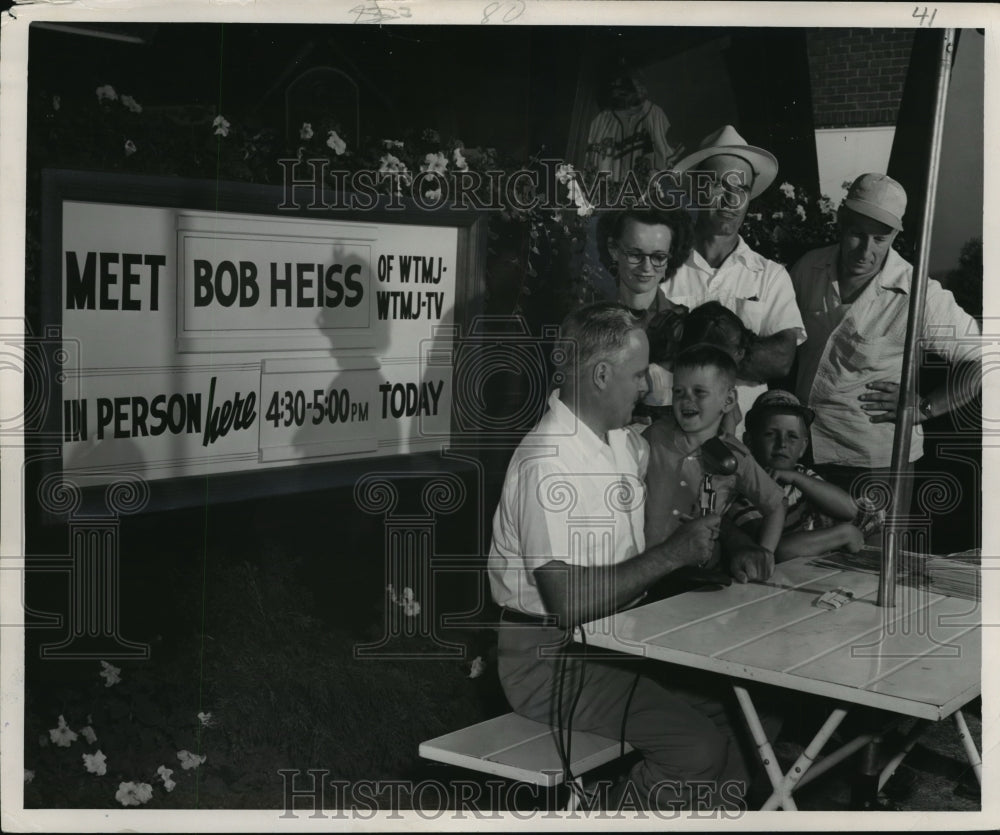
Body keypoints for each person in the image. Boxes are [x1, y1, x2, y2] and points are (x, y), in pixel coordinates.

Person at [487, 301, 773, 810]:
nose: (647, 388)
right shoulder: (547, 462)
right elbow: (567, 602)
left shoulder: (621, 443)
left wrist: (736, 540)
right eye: (639, 374)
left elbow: (681, 500)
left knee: (749, 717)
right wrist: (672, 555)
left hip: (617, 640)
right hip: (550, 660)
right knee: (696, 749)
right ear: (601, 375)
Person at [789, 173, 982, 513]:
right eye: (857, 234)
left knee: (872, 548)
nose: (866, 251)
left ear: (894, 235)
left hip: (876, 463)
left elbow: (984, 359)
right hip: (804, 454)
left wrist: (925, 408)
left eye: (880, 239)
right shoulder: (808, 268)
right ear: (840, 220)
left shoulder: (919, 293)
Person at [666, 125, 807, 425]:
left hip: (742, 437)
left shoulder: (770, 275)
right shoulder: (663, 265)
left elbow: (781, 359)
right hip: (669, 430)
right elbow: (643, 348)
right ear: (695, 188)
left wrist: (682, 346)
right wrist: (740, 348)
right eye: (719, 185)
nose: (731, 199)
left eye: (741, 188)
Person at [644, 344, 785, 559]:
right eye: (678, 391)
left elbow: (776, 504)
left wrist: (765, 553)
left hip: (696, 567)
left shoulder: (736, 456)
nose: (686, 400)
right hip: (647, 563)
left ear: (728, 401)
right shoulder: (654, 436)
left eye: (699, 392)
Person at [729, 389, 870, 561]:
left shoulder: (800, 473)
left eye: (792, 436)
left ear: (803, 447)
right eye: (770, 434)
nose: (782, 444)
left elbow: (850, 509)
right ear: (749, 441)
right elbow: (776, 552)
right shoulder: (745, 489)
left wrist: (796, 478)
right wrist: (843, 534)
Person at [586, 68, 684, 184]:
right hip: (610, 190)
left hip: (646, 190)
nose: (638, 89)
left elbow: (671, 159)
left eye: (639, 85)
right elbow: (587, 161)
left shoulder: (654, 113)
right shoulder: (601, 120)